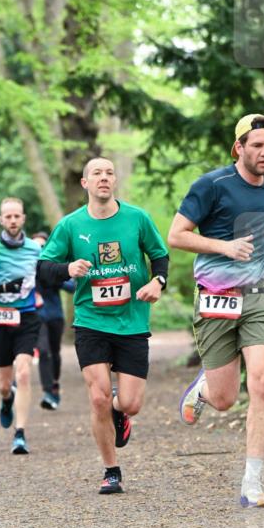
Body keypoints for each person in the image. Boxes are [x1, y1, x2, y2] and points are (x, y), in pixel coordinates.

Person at [168, 113, 264, 508]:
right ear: (238, 147)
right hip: (216, 296)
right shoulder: (212, 186)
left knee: (262, 383)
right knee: (225, 398)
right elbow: (176, 236)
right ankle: (205, 388)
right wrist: (224, 247)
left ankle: (252, 483)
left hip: (259, 296)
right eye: (256, 145)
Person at [38, 157, 169, 495]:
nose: (104, 178)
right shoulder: (70, 225)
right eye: (97, 173)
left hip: (132, 320)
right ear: (85, 183)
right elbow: (43, 269)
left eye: (110, 172)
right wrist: (68, 269)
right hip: (91, 320)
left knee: (131, 403)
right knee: (96, 398)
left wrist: (159, 281)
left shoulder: (136, 218)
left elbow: (160, 255)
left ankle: (119, 409)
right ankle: (111, 470)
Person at [0, 198, 42, 455]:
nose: (13, 220)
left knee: (23, 372)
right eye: (8, 217)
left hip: (26, 317)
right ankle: (6, 400)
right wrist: (3, 287)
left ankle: (20, 433)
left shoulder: (36, 249)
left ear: (23, 219)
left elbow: (46, 275)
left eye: (17, 216)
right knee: (4, 382)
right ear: (1, 220)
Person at [31, 229, 75, 410]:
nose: (39, 249)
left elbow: (71, 286)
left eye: (42, 245)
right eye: (35, 246)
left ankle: (55, 384)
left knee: (55, 352)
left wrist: (54, 276)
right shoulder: (26, 267)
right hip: (36, 315)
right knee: (43, 351)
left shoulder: (54, 265)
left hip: (55, 314)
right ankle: (47, 392)